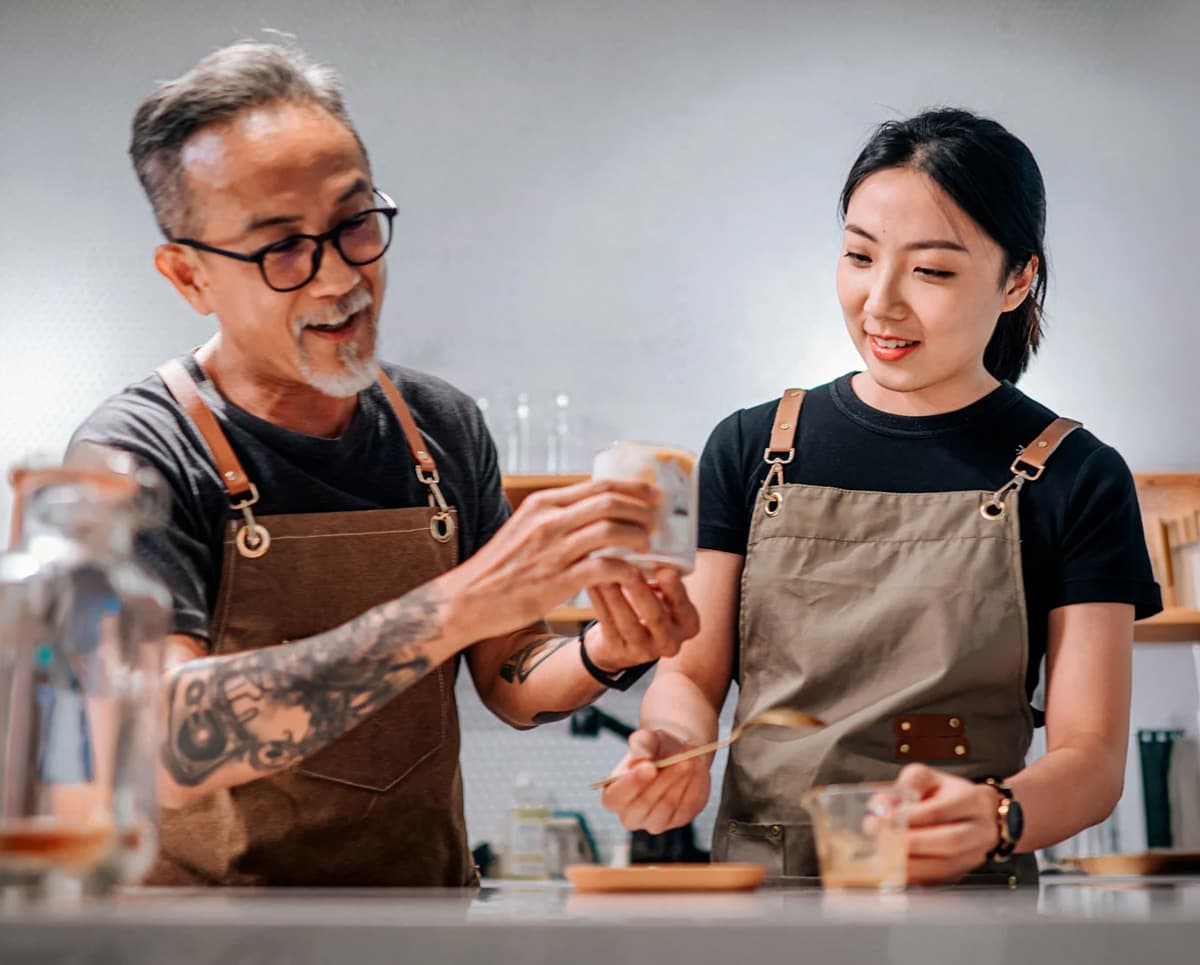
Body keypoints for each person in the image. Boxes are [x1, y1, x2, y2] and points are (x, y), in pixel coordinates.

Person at [68, 40, 699, 887]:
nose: (339, 277)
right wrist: (461, 600)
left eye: (356, 222)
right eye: (280, 248)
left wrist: (601, 649)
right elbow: (164, 739)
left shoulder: (438, 427)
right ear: (188, 276)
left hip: (425, 918)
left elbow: (508, 676)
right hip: (213, 939)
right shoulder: (131, 457)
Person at [600, 108, 1162, 885]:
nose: (882, 302)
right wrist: (669, 746)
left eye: (931, 270)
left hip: (966, 906)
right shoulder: (753, 449)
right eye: (860, 256)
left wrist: (998, 815)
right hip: (764, 902)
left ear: (1017, 278)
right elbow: (690, 680)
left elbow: (1091, 760)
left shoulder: (1076, 474)